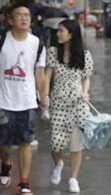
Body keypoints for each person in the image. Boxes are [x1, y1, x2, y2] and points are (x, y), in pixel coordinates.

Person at [0, 2, 46, 194]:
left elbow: (40, 74)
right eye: (19, 15)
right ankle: (6, 162)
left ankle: (24, 181)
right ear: (10, 20)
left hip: (27, 102)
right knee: (2, 144)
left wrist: (43, 99)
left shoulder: (37, 44)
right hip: (3, 102)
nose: (24, 18)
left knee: (26, 141)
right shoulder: (0, 41)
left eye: (27, 15)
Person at [44, 19, 93, 193]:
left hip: (78, 103)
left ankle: (73, 178)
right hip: (58, 102)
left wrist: (85, 92)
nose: (58, 34)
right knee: (55, 143)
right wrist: (45, 98)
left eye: (61, 31)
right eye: (58, 31)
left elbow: (86, 77)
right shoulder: (52, 52)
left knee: (76, 144)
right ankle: (58, 164)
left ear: (71, 34)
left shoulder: (84, 54)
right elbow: (47, 76)